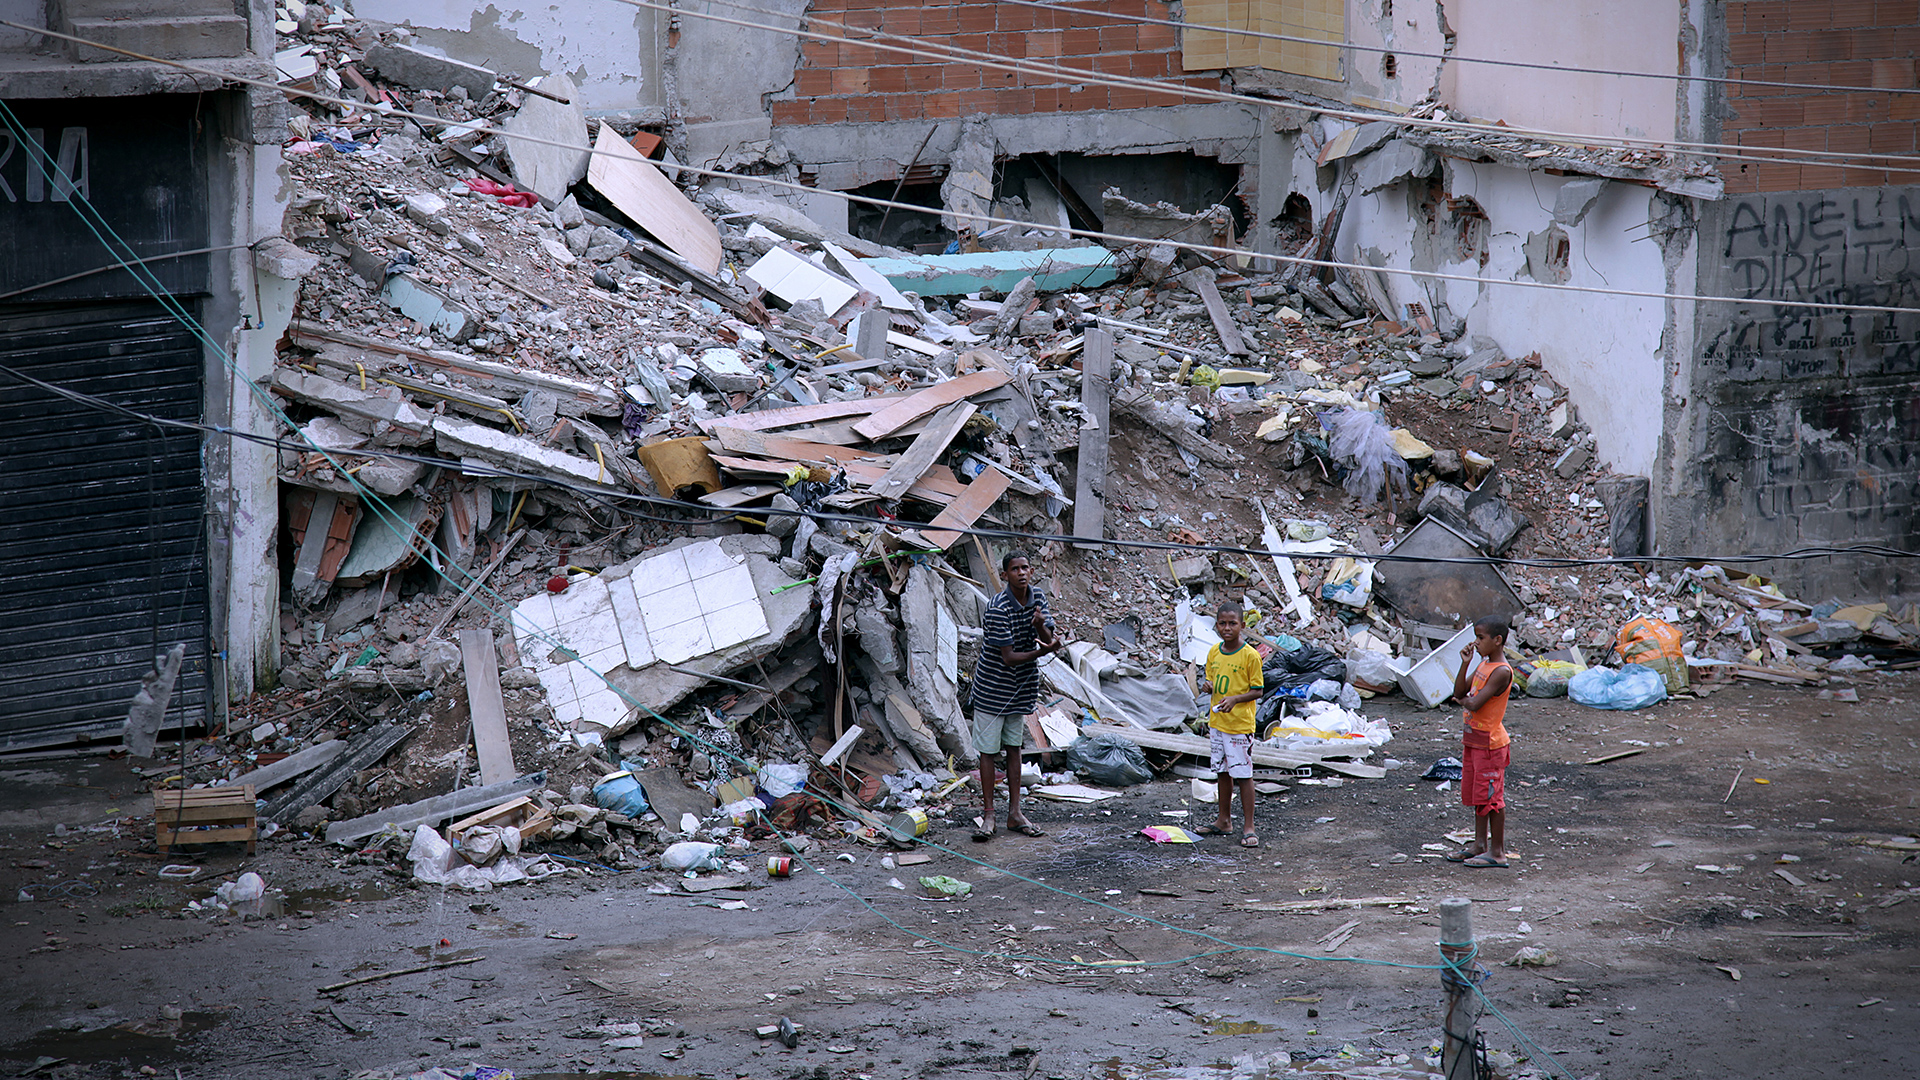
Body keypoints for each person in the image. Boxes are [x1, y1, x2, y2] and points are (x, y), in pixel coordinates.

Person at [967, 552, 1061, 841]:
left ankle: (1015, 813)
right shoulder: (998, 608)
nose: (1021, 573)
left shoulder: (1038, 598)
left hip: (1021, 688)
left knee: (1014, 747)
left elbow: (1049, 638)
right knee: (988, 751)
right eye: (1014, 569)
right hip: (992, 689)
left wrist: (1039, 626)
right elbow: (1008, 658)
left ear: (1031, 571)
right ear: (1005, 575)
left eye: (1025, 567)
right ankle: (989, 814)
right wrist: (1044, 650)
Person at [1446, 614, 1514, 868]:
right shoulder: (1483, 664)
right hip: (1474, 741)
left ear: (1497, 640)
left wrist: (1464, 702)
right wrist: (1465, 664)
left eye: (1480, 638)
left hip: (1490, 744)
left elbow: (1473, 702)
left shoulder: (1501, 671)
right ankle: (1479, 845)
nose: (1476, 643)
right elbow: (1459, 692)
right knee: (1478, 795)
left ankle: (1497, 852)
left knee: (1492, 797)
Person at [1195, 604, 1264, 848]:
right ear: (1216, 625)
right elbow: (1213, 680)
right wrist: (1208, 687)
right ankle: (1224, 820)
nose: (1227, 628)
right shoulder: (1214, 652)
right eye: (1222, 623)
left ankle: (1249, 826)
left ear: (1242, 626)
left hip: (1239, 725)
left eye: (1232, 623)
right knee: (1222, 772)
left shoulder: (1250, 656)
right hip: (1218, 723)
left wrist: (1235, 699)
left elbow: (1257, 690)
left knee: (1243, 775)